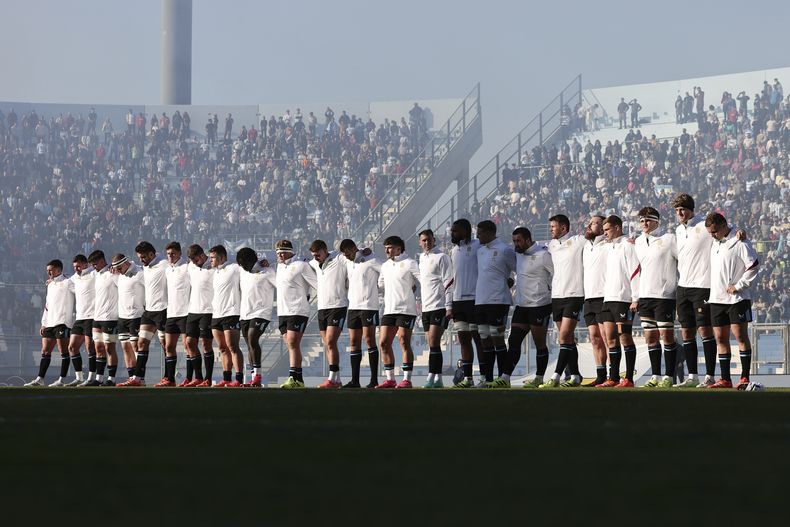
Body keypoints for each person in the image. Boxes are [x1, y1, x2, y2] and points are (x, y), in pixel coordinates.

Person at [705, 213, 760, 389]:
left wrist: (739, 286)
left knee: (740, 336)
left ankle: (744, 377)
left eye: (714, 231)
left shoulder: (740, 241)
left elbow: (753, 265)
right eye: (710, 232)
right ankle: (725, 379)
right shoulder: (715, 242)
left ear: (723, 226)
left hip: (737, 299)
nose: (712, 235)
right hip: (716, 298)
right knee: (720, 338)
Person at [673, 194, 718, 388]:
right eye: (677, 210)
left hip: (702, 286)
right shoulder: (678, 230)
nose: (680, 213)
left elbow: (725, 229)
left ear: (691, 209)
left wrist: (738, 232)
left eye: (682, 209)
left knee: (705, 330)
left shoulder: (704, 225)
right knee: (686, 332)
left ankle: (710, 376)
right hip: (683, 286)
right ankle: (692, 376)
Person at [634, 207, 679, 388]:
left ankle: (669, 376)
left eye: (648, 220)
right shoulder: (637, 242)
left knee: (667, 335)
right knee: (650, 338)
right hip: (645, 295)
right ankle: (655, 376)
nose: (644, 223)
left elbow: (684, 260)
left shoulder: (669, 239)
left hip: (664, 296)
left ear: (656, 222)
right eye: (642, 221)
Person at [541, 214, 584, 388]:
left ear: (564, 228)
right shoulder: (550, 245)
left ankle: (556, 376)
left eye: (553, 226)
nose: (550, 229)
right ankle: (575, 375)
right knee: (568, 339)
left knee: (564, 336)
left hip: (574, 294)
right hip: (557, 296)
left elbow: (597, 238)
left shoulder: (578, 241)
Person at [509, 227, 553, 388]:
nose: (516, 244)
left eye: (518, 241)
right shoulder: (518, 254)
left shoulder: (543, 254)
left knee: (539, 343)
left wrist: (550, 293)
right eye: (514, 241)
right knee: (513, 341)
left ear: (528, 240)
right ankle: (505, 377)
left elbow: (556, 275)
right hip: (521, 306)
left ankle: (539, 378)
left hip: (539, 305)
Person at [119, 242, 168, 387]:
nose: (141, 260)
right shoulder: (144, 268)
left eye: (144, 257)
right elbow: (132, 267)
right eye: (139, 257)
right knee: (141, 343)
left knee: (166, 346)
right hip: (149, 311)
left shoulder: (164, 264)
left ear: (152, 254)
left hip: (163, 310)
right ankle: (137, 378)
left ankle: (168, 377)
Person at [475, 220, 516, 388]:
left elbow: (518, 269)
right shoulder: (480, 251)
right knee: (484, 339)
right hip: (481, 301)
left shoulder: (505, 250)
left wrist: (511, 280)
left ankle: (502, 379)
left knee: (497, 338)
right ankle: (487, 379)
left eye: (480, 233)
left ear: (490, 232)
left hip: (498, 301)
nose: (477, 236)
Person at [600, 215, 640, 388]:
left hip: (623, 299)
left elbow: (635, 271)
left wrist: (635, 297)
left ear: (617, 227)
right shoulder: (608, 247)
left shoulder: (628, 245)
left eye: (607, 230)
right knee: (610, 339)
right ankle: (613, 377)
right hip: (608, 298)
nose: (605, 233)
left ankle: (629, 378)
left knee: (625, 338)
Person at [377, 235, 421, 389]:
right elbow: (380, 285)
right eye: (385, 248)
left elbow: (422, 280)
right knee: (383, 343)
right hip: (389, 309)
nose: (386, 251)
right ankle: (390, 379)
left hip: (406, 309)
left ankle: (407, 380)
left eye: (389, 248)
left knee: (403, 341)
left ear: (398, 248)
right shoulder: (385, 266)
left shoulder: (410, 263)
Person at [340, 239, 382, 388]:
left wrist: (380, 286)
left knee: (370, 340)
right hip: (353, 307)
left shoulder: (371, 258)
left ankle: (374, 380)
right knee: (353, 342)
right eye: (344, 254)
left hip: (369, 306)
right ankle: (355, 381)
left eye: (348, 253)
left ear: (354, 248)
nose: (347, 256)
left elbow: (386, 270)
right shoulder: (347, 261)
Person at [275, 239, 318, 389]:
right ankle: (298, 379)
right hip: (283, 311)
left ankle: (293, 377)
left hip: (298, 310)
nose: (280, 255)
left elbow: (317, 284)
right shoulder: (279, 267)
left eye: (283, 252)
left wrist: (308, 297)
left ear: (290, 252)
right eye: (278, 253)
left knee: (293, 342)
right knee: (291, 345)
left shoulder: (301, 265)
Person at [25, 260, 75, 387]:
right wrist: (44, 323)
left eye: (50, 270)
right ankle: (40, 379)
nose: (48, 273)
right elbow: (47, 305)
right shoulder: (50, 285)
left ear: (58, 270)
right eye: (47, 270)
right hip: (50, 323)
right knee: (45, 351)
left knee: (63, 351)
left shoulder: (68, 282)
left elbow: (81, 289)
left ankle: (61, 380)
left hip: (63, 322)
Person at [447, 219, 483, 388]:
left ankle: (484, 377)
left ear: (465, 231)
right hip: (458, 302)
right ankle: (468, 378)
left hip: (475, 301)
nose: (452, 233)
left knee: (479, 340)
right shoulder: (453, 251)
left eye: (455, 231)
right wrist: (450, 304)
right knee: (463, 341)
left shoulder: (478, 246)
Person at [309, 239, 350, 389]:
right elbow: (300, 263)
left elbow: (354, 256)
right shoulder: (313, 263)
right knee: (327, 343)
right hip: (322, 307)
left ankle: (332, 378)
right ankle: (336, 379)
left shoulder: (339, 258)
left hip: (338, 306)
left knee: (331, 341)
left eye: (318, 254)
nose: (316, 258)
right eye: (313, 255)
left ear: (325, 251)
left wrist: (366, 252)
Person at [417, 229, 453, 388]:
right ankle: (438, 378)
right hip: (426, 307)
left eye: (429, 240)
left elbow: (449, 282)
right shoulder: (421, 258)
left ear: (434, 240)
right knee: (432, 344)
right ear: (420, 242)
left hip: (439, 306)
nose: (426, 243)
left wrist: (449, 306)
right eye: (423, 240)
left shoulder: (442, 257)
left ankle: (431, 376)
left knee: (433, 341)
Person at [237, 247, 276, 388]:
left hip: (262, 313)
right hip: (245, 313)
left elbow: (282, 286)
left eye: (243, 263)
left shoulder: (268, 271)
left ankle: (258, 375)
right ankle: (253, 378)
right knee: (249, 344)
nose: (242, 266)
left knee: (253, 339)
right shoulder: (242, 271)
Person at [209, 245, 245, 388]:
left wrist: (262, 263)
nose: (211, 260)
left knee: (233, 347)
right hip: (216, 315)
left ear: (222, 257)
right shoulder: (215, 272)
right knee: (222, 348)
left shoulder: (234, 268)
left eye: (213, 257)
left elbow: (250, 267)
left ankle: (239, 379)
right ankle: (226, 379)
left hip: (231, 314)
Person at [581, 215, 609, 386]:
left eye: (595, 223)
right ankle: (600, 375)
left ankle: (613, 375)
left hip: (604, 296)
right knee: (594, 338)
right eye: (590, 222)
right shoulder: (585, 246)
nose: (590, 225)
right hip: (588, 298)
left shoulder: (608, 244)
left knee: (606, 338)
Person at [84, 250, 119, 387]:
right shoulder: (95, 274)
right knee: (98, 348)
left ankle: (112, 378)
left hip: (110, 317)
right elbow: (78, 276)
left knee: (109, 348)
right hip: (96, 317)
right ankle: (99, 378)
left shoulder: (113, 273)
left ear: (102, 260)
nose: (94, 267)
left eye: (95, 264)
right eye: (92, 265)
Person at [112, 253, 144, 386]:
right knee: (125, 347)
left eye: (119, 268)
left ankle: (140, 378)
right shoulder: (118, 276)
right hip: (122, 317)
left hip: (136, 316)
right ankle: (131, 377)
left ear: (125, 263)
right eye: (116, 269)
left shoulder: (140, 272)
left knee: (136, 346)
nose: (118, 271)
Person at [185, 244, 214, 387]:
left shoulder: (214, 266)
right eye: (192, 261)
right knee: (189, 343)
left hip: (208, 310)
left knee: (206, 344)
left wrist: (262, 263)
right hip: (193, 310)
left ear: (203, 255)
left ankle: (208, 379)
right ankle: (198, 377)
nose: (195, 263)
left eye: (196, 260)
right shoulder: (191, 266)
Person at [163, 242, 191, 387]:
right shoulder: (167, 269)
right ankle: (170, 379)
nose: (170, 256)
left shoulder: (187, 267)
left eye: (173, 253)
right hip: (171, 313)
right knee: (168, 347)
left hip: (185, 313)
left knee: (188, 346)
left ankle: (189, 378)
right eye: (168, 254)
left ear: (180, 253)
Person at [66, 254, 94, 386]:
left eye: (78, 266)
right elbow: (64, 282)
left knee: (90, 348)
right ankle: (79, 377)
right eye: (74, 267)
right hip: (79, 318)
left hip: (92, 317)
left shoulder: (94, 274)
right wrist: (52, 281)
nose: (76, 269)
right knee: (72, 347)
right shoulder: (74, 278)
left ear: (86, 264)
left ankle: (92, 378)